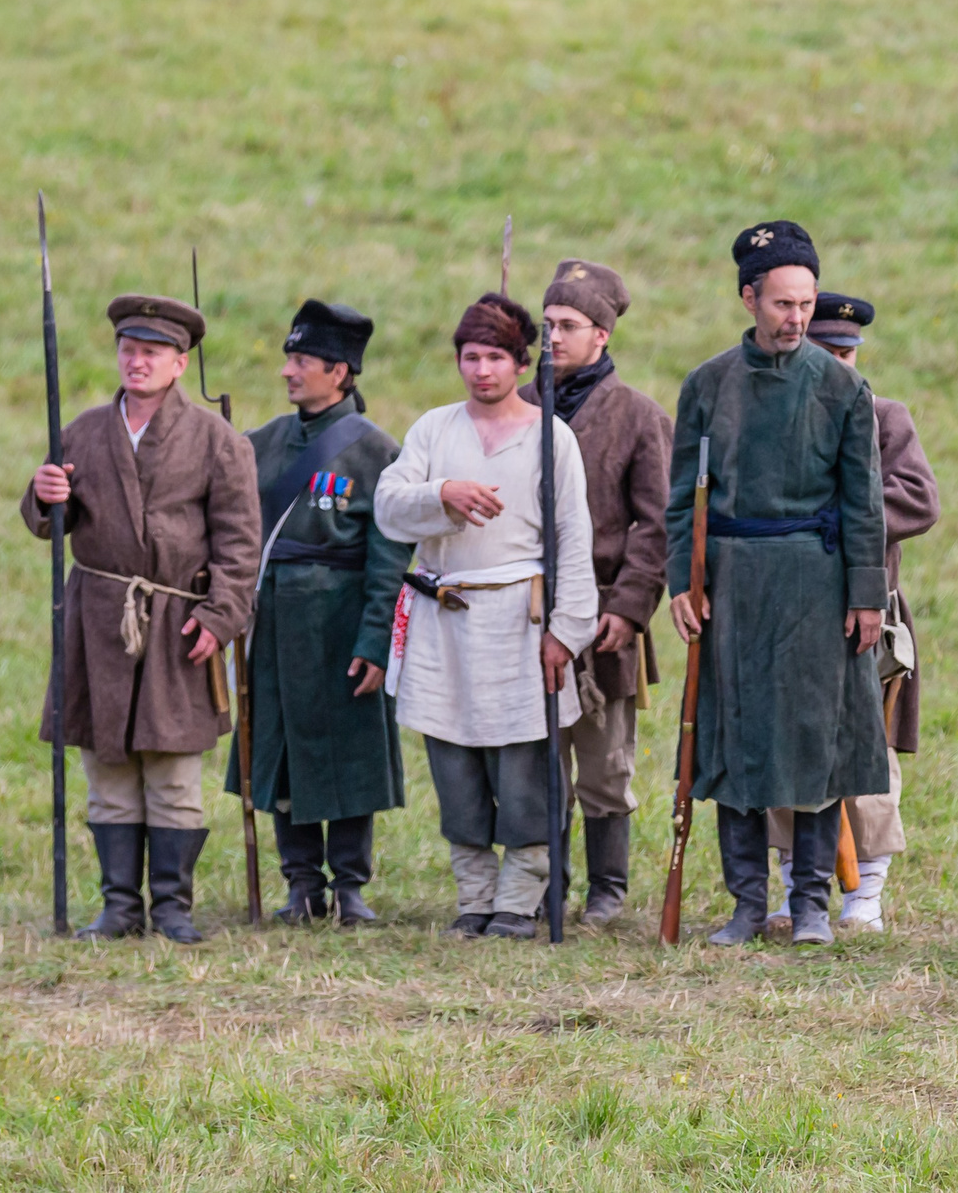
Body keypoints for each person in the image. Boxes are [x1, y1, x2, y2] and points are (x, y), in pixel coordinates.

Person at [666, 222, 892, 949]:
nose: (796, 318)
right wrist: (684, 581)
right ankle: (744, 903)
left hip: (813, 583)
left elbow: (865, 501)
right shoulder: (707, 386)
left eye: (805, 303)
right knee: (733, 740)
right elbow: (681, 499)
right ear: (749, 298)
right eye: (782, 304)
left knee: (814, 745)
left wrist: (866, 597)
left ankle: (812, 903)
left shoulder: (842, 387)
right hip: (732, 583)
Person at [22, 294, 259, 943]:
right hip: (98, 618)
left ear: (181, 364)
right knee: (109, 765)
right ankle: (119, 906)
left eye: (152, 353)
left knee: (174, 768)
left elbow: (241, 545)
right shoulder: (83, 431)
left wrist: (220, 618)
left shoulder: (217, 441)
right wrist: (45, 499)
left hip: (180, 624)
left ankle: (173, 908)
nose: (137, 361)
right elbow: (45, 518)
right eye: (129, 350)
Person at [371, 293, 600, 939]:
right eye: (471, 356)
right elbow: (390, 505)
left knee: (524, 767)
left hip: (518, 623)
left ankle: (519, 901)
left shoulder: (552, 436)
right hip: (447, 618)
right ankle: (474, 896)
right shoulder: (434, 430)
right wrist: (443, 493)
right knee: (455, 765)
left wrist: (566, 630)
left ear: (519, 362)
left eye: (496, 357)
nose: (482, 370)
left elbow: (572, 537)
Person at [228, 300, 410, 925]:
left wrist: (375, 643)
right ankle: (300, 883)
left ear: (339, 371)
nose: (287, 371)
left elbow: (389, 560)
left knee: (349, 754)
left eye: (301, 360)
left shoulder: (377, 452)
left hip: (342, 624)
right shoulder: (259, 445)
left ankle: (351, 886)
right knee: (277, 752)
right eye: (288, 358)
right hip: (274, 623)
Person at [527, 260, 672, 927]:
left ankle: (606, 889)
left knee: (604, 759)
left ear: (602, 335)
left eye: (568, 326)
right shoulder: (515, 408)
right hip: (522, 608)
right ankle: (540, 883)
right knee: (534, 755)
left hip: (607, 612)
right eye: (546, 325)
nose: (552, 337)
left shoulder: (639, 417)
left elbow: (658, 521)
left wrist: (628, 607)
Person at [796, 292, 939, 933]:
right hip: (789, 611)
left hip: (869, 614)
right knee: (787, 749)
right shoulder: (777, 419)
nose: (839, 363)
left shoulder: (886, 417)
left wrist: (841, 505)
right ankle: (796, 890)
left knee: (870, 756)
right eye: (826, 351)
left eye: (847, 352)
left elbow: (918, 500)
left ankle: (866, 894)